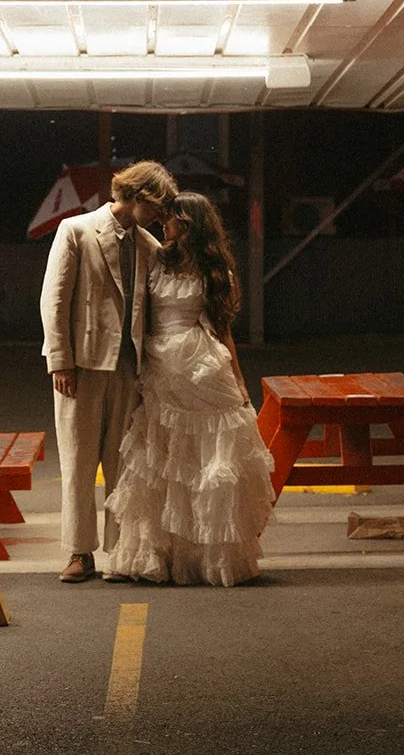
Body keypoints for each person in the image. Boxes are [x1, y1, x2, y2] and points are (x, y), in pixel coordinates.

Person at [103, 191, 275, 586]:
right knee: (160, 462)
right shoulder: (156, 258)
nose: (164, 221)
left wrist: (238, 379)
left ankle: (207, 557)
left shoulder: (215, 271)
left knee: (203, 462)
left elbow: (224, 331)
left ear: (190, 222)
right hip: (160, 364)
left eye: (172, 216)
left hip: (199, 365)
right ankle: (157, 555)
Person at [40, 159, 177, 583]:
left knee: (123, 464)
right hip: (80, 366)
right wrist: (59, 359)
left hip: (129, 368)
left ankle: (122, 551)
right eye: (156, 207)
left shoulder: (149, 244)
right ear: (136, 196)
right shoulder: (76, 231)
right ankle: (79, 552)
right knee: (79, 462)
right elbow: (54, 299)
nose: (159, 216)